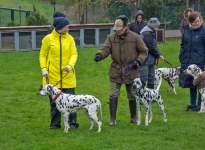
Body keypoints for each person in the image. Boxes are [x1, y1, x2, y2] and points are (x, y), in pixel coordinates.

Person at [94, 15, 148, 126]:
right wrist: (100, 54)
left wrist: (138, 62)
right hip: (116, 70)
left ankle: (133, 117)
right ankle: (112, 120)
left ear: (126, 27)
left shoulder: (136, 37)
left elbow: (144, 51)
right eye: (116, 29)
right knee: (113, 95)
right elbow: (106, 48)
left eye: (119, 29)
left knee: (132, 95)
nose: (117, 31)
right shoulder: (111, 37)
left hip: (131, 70)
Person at [39, 17, 79, 129]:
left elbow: (74, 54)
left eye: (68, 26)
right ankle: (55, 124)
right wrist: (44, 69)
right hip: (51, 76)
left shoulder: (70, 39)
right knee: (54, 102)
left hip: (68, 76)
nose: (67, 29)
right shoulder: (47, 39)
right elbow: (43, 55)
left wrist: (70, 66)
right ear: (59, 28)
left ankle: (73, 123)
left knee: (72, 100)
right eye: (65, 27)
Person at [179, 12, 205, 111]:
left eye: (198, 21)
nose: (197, 23)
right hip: (187, 60)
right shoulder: (186, 29)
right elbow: (183, 44)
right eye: (195, 22)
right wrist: (181, 55)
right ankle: (192, 104)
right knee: (191, 83)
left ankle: (199, 105)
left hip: (200, 60)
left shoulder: (203, 30)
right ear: (190, 22)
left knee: (200, 83)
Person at [139, 18, 164, 89]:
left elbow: (154, 46)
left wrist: (160, 54)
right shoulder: (146, 33)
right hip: (145, 60)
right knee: (143, 78)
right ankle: (141, 95)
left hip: (150, 59)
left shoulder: (151, 32)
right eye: (157, 26)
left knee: (151, 77)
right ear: (154, 26)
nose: (158, 28)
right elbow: (150, 47)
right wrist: (158, 55)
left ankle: (151, 95)